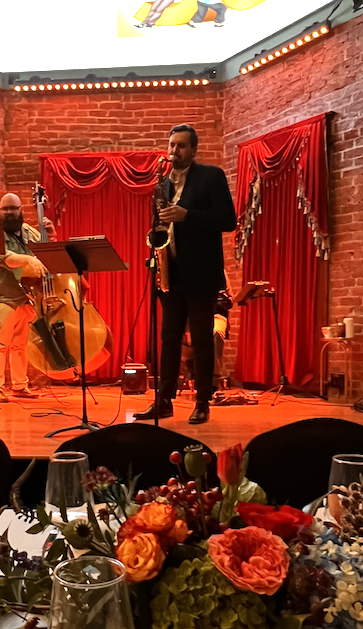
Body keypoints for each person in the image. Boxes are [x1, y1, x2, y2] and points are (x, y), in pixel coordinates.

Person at [134, 124, 236, 425]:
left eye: (180, 146)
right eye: (171, 145)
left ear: (193, 150)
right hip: (171, 272)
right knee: (168, 338)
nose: (173, 151)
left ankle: (202, 401)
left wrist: (187, 215)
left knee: (203, 339)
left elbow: (227, 220)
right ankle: (163, 401)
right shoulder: (163, 184)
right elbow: (162, 226)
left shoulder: (211, 176)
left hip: (201, 273)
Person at [0, 193, 56, 403]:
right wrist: (29, 259)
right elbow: (8, 260)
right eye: (4, 209)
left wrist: (51, 235)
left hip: (25, 296)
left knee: (19, 345)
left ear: (20, 210)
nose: (8, 213)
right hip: (1, 296)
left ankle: (19, 385)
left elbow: (46, 251)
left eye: (12, 209)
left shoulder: (28, 232)